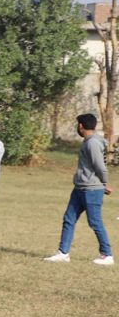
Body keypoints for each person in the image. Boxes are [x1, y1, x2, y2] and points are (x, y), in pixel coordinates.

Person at [45, 113, 113, 265]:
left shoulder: (92, 143)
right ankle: (63, 253)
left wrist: (103, 184)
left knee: (95, 222)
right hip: (80, 188)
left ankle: (107, 255)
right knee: (69, 219)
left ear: (81, 126)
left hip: (91, 190)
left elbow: (100, 166)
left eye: (78, 124)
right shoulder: (88, 141)